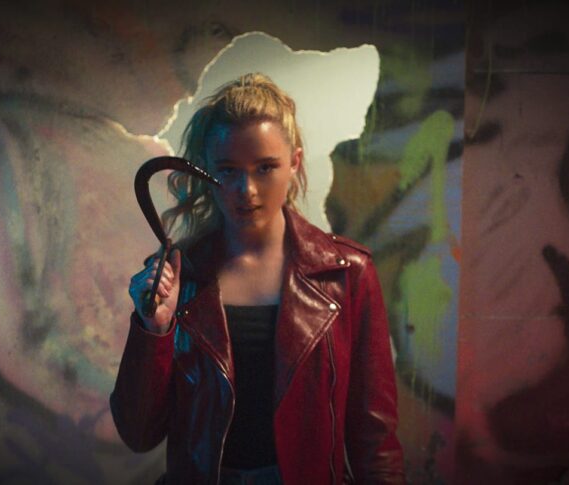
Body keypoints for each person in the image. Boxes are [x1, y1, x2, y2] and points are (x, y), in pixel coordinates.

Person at [111, 73, 404, 484]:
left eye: (265, 167)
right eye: (228, 170)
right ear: (206, 172)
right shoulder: (178, 276)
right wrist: (153, 329)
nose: (246, 189)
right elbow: (138, 433)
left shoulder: (345, 274)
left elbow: (375, 436)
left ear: (294, 163)